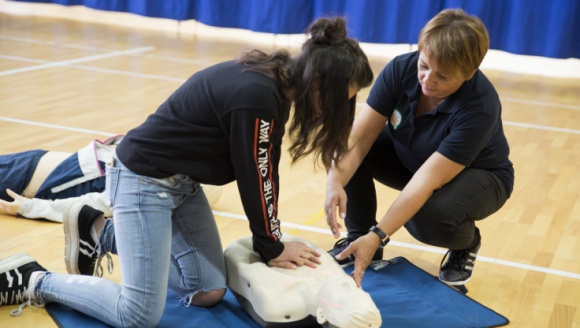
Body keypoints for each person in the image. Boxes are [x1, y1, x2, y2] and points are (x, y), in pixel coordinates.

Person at [0, 16, 374, 327]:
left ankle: (100, 230)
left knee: (208, 292)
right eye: (345, 93)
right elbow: (256, 178)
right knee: (137, 314)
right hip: (141, 180)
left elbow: (265, 171)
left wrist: (271, 240)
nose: (345, 104)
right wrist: (272, 246)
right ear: (321, 80)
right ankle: (35, 279)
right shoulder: (258, 95)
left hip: (180, 186)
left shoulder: (275, 85)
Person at [324, 8, 514, 288]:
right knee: (342, 150)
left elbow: (427, 179)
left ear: (469, 73)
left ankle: (466, 243)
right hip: (414, 160)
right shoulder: (401, 68)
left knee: (424, 219)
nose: (427, 80)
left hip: (480, 176)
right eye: (424, 66)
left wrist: (380, 233)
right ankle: (359, 239)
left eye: (444, 76)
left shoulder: (480, 107)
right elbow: (358, 137)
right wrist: (333, 182)